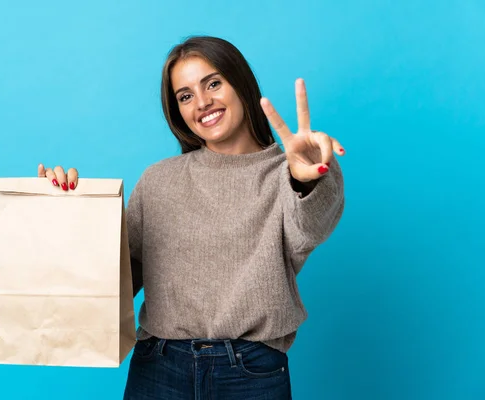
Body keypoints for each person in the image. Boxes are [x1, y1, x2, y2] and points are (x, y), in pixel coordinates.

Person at [38, 36, 345, 400]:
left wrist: (306, 176)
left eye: (213, 83)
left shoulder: (285, 175)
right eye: (185, 96)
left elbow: (310, 225)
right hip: (159, 369)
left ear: (240, 83)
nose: (202, 103)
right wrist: (68, 212)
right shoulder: (158, 180)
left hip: (250, 375)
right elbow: (111, 285)